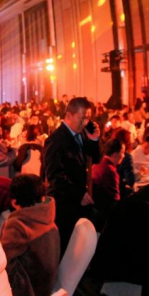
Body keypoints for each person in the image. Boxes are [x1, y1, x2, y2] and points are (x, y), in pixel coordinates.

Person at [42, 97, 100, 253]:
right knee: (66, 248)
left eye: (88, 118)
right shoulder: (56, 140)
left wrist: (94, 139)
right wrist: (78, 194)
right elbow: (54, 176)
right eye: (82, 118)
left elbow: (95, 159)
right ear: (69, 115)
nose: (85, 123)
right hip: (64, 203)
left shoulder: (81, 134)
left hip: (80, 200)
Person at [0, 173, 60, 296]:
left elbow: (1, 261)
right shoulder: (47, 214)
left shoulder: (19, 224)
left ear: (14, 202)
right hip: (45, 289)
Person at [91, 138, 125, 229]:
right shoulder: (110, 170)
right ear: (115, 155)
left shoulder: (98, 163)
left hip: (96, 210)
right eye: (122, 152)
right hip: (104, 216)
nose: (124, 156)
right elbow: (115, 200)